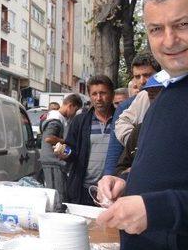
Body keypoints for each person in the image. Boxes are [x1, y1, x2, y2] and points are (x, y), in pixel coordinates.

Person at [97, 0, 188, 250]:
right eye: (156, 29)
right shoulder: (169, 91)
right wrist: (126, 182)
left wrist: (155, 208)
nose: (168, 40)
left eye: (182, 24)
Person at [59, 75, 115, 205]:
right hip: (83, 189)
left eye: (103, 93)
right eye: (94, 94)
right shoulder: (80, 121)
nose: (98, 98)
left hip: (111, 191)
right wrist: (64, 153)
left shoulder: (121, 120)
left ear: (112, 94)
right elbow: (71, 151)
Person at [102, 53, 160, 176]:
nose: (142, 81)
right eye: (137, 76)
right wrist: (138, 143)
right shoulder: (141, 97)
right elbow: (121, 124)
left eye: (147, 75)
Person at [114, 76, 164, 177]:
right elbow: (120, 169)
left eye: (160, 95)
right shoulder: (139, 131)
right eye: (151, 96)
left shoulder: (179, 129)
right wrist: (126, 173)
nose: (155, 101)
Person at [39, 93, 83, 202]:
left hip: (54, 161)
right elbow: (48, 138)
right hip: (53, 161)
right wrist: (68, 142)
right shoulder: (56, 120)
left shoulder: (57, 118)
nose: (74, 114)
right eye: (76, 110)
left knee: (58, 193)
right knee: (57, 195)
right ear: (70, 106)